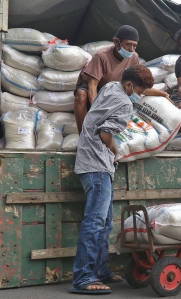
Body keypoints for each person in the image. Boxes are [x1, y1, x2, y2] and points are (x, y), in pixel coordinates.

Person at [69, 65, 154, 294]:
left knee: (105, 223)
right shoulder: (125, 103)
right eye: (140, 91)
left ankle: (101, 270)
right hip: (97, 165)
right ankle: (84, 276)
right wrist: (116, 151)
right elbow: (107, 134)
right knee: (96, 223)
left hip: (92, 163)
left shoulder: (110, 87)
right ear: (129, 85)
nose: (141, 96)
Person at [74, 25, 169, 134]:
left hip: (113, 90)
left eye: (135, 46)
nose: (131, 49)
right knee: (81, 95)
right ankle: (83, 135)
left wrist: (163, 94)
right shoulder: (102, 56)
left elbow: (138, 86)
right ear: (116, 42)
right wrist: (97, 111)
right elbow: (92, 85)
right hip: (95, 89)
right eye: (128, 44)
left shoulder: (134, 58)